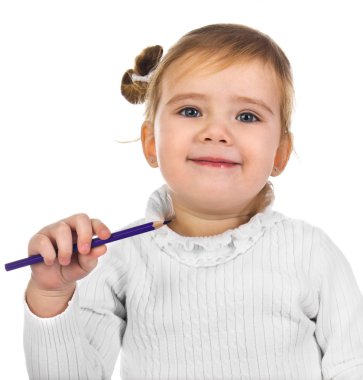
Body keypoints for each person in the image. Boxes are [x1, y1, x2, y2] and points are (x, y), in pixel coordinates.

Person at [23, 23, 363, 380]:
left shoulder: (310, 253)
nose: (215, 132)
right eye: (190, 111)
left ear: (279, 153)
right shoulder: (118, 258)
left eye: (247, 116)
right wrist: (52, 297)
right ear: (151, 142)